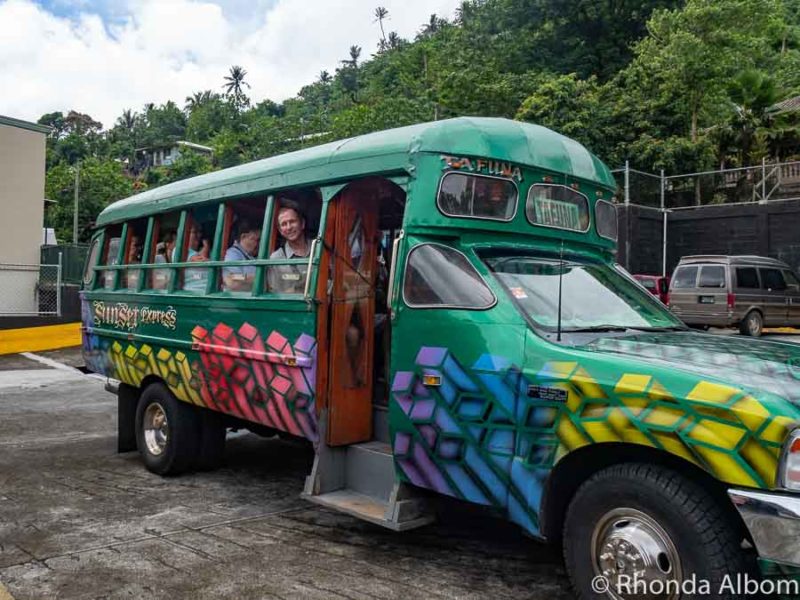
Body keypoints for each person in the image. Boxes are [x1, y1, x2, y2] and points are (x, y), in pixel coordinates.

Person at [268, 201, 310, 294]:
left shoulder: (319, 249)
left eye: (292, 221)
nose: (288, 227)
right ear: (280, 231)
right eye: (283, 224)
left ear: (302, 223)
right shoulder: (276, 258)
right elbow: (276, 295)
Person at [222, 219, 261, 291]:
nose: (259, 244)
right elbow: (232, 281)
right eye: (256, 240)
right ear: (243, 237)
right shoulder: (232, 254)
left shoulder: (251, 256)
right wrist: (258, 278)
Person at [181, 224, 210, 292]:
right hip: (192, 290)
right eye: (194, 232)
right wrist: (206, 247)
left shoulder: (199, 251)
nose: (198, 235)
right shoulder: (180, 250)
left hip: (207, 291)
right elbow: (200, 260)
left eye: (200, 232)